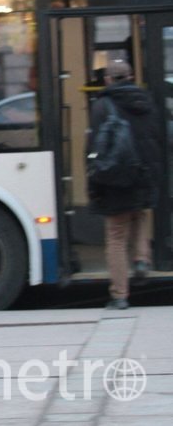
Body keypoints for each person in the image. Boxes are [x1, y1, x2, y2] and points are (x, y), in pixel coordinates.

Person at [87, 60, 162, 310]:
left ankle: (120, 295)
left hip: (116, 180)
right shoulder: (146, 102)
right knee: (139, 216)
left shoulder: (102, 106)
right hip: (143, 175)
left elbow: (96, 148)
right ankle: (141, 259)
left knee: (117, 236)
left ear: (108, 79)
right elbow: (156, 139)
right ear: (130, 76)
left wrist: (94, 179)